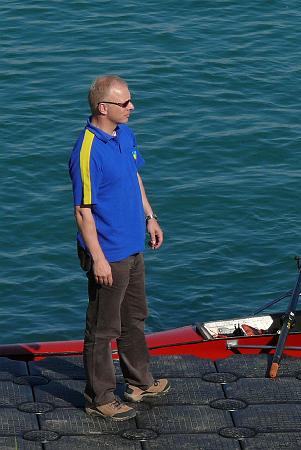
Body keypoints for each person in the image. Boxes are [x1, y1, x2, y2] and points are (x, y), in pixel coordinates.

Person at [68, 75, 170, 421]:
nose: (132, 107)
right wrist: (98, 259)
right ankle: (99, 397)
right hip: (107, 253)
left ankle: (139, 382)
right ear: (103, 107)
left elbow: (134, 176)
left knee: (134, 317)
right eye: (125, 103)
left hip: (132, 244)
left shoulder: (124, 134)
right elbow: (82, 211)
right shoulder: (86, 152)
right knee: (102, 328)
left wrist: (150, 217)